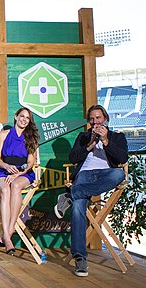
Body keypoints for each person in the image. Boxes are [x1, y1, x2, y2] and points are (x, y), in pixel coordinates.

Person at [54, 104, 127, 277]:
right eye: (92, 119)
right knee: (79, 207)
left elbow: (122, 158)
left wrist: (106, 141)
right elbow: (73, 158)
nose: (95, 122)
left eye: (98, 118)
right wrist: (89, 145)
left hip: (106, 175)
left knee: (119, 174)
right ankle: (80, 258)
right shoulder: (83, 136)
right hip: (85, 175)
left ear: (105, 119)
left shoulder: (117, 137)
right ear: (89, 122)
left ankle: (70, 195)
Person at [0, 107, 39, 255]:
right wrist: (7, 167)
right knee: (5, 189)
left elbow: (30, 162)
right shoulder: (4, 134)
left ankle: (8, 234)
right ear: (16, 116)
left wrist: (18, 173)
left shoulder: (30, 138)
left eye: (27, 118)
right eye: (22, 116)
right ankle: (7, 236)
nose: (24, 119)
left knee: (16, 185)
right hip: (4, 171)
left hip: (24, 173)